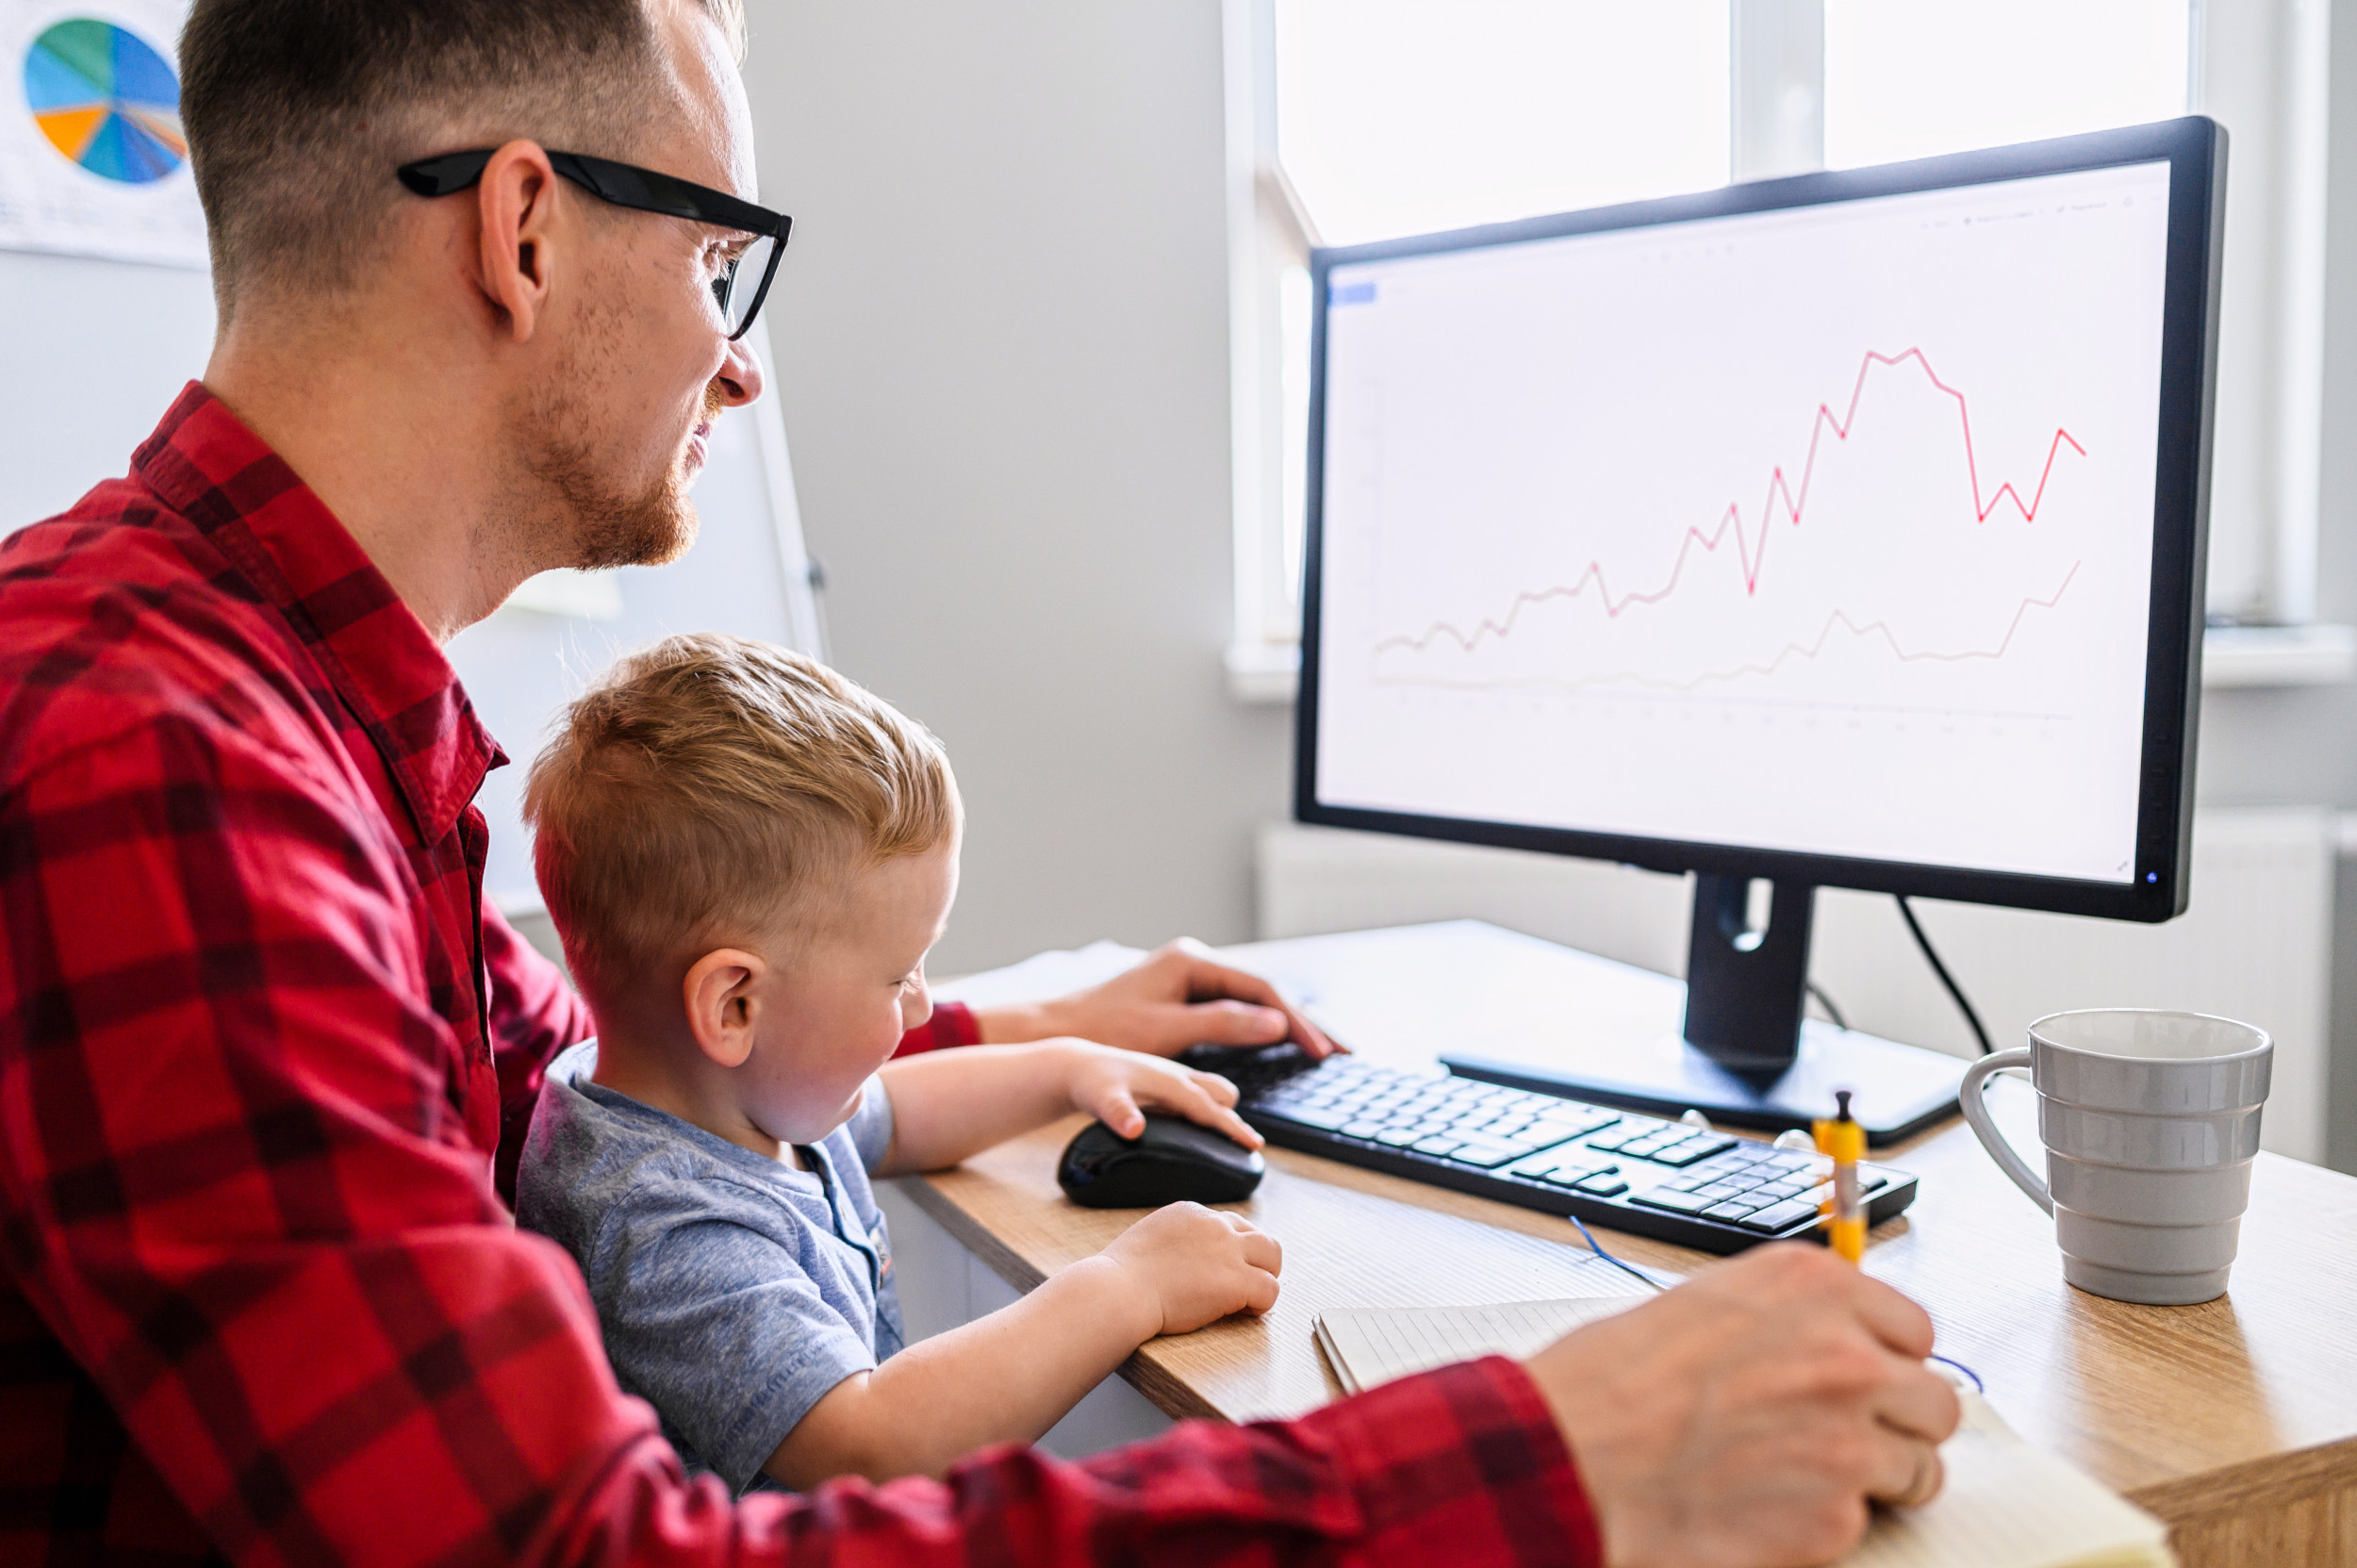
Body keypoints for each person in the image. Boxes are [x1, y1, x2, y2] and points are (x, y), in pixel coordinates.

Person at [0, 0, 1962, 1563]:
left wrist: (1010, 1024)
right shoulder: (160, 766)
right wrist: (1558, 1464)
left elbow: (574, 1088)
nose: (738, 366)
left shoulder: (305, 709)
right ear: (522, 231)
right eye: (715, 259)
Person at [516, 632, 1289, 1490]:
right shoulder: (663, 1227)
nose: (921, 1004)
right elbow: (865, 1446)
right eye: (898, 974)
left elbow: (903, 1111)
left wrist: (1067, 1066)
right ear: (734, 1004)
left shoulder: (723, 1095)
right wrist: (1127, 1284)